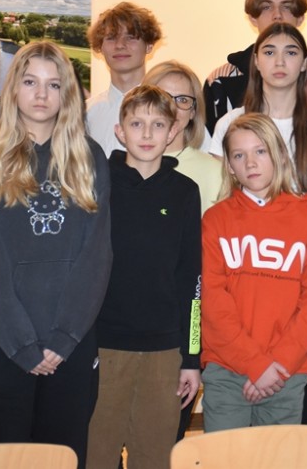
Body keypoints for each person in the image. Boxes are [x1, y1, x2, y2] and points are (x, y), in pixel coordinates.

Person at [0, 41, 112, 466]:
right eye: (30, 82)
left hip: (70, 345)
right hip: (2, 342)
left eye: (53, 84)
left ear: (68, 94)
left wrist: (65, 338)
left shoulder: (90, 157)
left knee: (61, 458)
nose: (41, 94)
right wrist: (21, 344)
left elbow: (96, 258)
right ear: (13, 89)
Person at [86, 85, 202, 468]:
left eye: (158, 125)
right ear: (120, 131)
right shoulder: (99, 185)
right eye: (137, 124)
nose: (147, 134)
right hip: (104, 347)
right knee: (96, 455)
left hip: (164, 354)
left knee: (154, 458)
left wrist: (191, 358)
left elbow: (192, 281)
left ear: (173, 131)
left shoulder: (185, 192)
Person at [200, 113, 307, 431]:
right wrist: (256, 365)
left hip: (286, 370)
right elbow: (213, 303)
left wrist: (277, 365)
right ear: (229, 166)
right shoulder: (215, 220)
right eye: (239, 155)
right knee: (225, 456)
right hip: (227, 369)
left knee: (276, 455)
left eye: (260, 151)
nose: (250, 163)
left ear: (279, 155)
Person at [208, 24, 307, 207]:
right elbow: (219, 200)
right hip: (242, 224)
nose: (280, 62)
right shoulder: (229, 123)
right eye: (269, 53)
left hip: (301, 224)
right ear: (256, 61)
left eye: (291, 53)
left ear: (304, 63)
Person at [203, 0, 307, 133]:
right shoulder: (220, 80)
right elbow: (210, 142)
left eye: (286, 7)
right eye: (266, 7)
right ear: (253, 18)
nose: (277, 15)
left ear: (300, 18)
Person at [144, 61, 222, 212]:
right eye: (163, 97)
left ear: (193, 112)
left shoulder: (214, 172)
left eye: (183, 100)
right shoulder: (124, 166)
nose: (172, 108)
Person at [86, 1, 162, 155]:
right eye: (111, 38)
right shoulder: (86, 113)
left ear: (149, 45)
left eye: (131, 37)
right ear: (100, 47)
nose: (120, 45)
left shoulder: (169, 108)